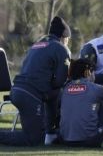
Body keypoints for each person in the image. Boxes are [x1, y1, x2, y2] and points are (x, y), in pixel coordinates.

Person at [0, 16, 71, 146]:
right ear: (64, 36)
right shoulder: (62, 49)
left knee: (54, 95)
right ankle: (51, 132)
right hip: (30, 95)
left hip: (17, 90)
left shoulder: (38, 44)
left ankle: (50, 133)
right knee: (33, 139)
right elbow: (60, 81)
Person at [59, 58, 103, 147]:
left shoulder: (65, 88)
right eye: (94, 72)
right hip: (89, 140)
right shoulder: (97, 89)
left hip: (65, 140)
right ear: (88, 72)